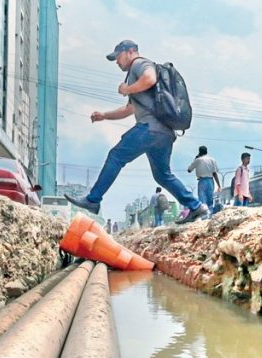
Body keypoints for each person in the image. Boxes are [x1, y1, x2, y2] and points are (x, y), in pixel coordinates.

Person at [63, 39, 208, 224]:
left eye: (118, 56)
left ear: (130, 51)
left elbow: (150, 78)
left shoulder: (139, 64)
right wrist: (104, 115)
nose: (117, 61)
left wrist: (127, 89)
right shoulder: (134, 76)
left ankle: (93, 200)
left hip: (149, 128)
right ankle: (196, 206)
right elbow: (129, 109)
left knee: (116, 156)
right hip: (164, 133)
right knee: (162, 175)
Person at [187, 145, 221, 218]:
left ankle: (204, 217)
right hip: (210, 181)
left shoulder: (198, 160)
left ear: (199, 152)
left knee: (202, 201)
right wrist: (219, 185)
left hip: (202, 181)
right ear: (207, 152)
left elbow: (189, 170)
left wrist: (196, 159)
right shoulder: (212, 160)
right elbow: (215, 173)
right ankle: (210, 217)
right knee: (210, 200)